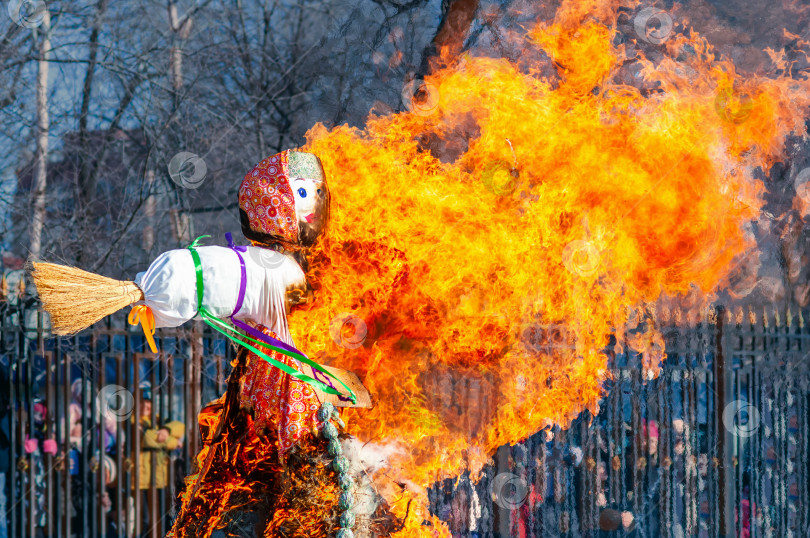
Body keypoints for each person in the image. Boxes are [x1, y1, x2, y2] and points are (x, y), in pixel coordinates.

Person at [136, 392, 184, 535]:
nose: (145, 405)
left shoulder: (158, 420)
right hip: (141, 479)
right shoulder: (133, 421)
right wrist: (173, 442)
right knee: (145, 520)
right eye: (142, 402)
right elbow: (147, 439)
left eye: (148, 402)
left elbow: (180, 426)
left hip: (160, 478)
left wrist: (165, 430)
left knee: (164, 516)